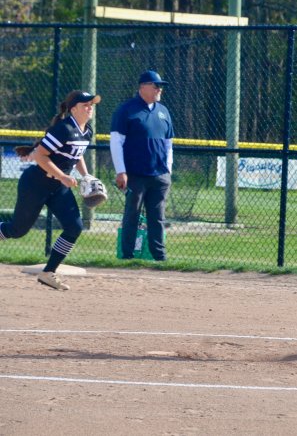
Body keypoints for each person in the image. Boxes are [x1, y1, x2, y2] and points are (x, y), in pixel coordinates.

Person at [0, 91, 101, 290]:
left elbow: (77, 154)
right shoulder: (64, 129)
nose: (90, 108)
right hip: (35, 184)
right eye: (85, 105)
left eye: (91, 104)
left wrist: (86, 175)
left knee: (74, 227)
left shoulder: (86, 131)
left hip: (57, 188)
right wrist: (63, 176)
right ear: (73, 109)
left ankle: (48, 272)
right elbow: (39, 155)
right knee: (17, 230)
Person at [110, 70, 174, 261]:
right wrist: (121, 171)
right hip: (135, 174)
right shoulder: (127, 110)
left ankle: (159, 257)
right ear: (142, 87)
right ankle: (127, 255)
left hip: (159, 174)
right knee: (132, 215)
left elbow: (169, 142)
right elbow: (116, 142)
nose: (159, 89)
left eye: (160, 86)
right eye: (155, 85)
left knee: (158, 217)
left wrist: (168, 169)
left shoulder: (163, 111)